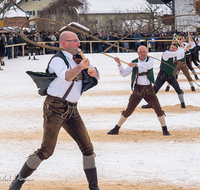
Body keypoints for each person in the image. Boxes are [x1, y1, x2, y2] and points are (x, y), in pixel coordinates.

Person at [8, 31, 100, 190]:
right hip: (55, 107)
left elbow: (91, 77)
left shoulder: (76, 59)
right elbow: (67, 76)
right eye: (75, 41)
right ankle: (17, 182)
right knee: (46, 150)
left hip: (72, 109)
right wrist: (80, 67)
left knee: (88, 148)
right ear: (65, 43)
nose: (79, 44)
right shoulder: (58, 60)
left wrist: (93, 73)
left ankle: (94, 187)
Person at [107, 45, 170, 136]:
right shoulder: (133, 62)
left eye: (144, 52)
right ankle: (116, 128)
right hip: (138, 90)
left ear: (147, 52)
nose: (142, 54)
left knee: (158, 109)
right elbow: (124, 74)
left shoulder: (150, 60)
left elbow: (147, 66)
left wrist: (136, 65)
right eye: (140, 52)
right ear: (137, 53)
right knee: (128, 110)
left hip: (149, 90)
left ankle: (165, 129)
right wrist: (119, 64)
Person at [142, 42, 189, 109]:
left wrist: (183, 48)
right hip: (162, 75)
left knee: (178, 89)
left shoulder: (176, 55)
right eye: (172, 47)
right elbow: (177, 53)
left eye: (174, 48)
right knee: (154, 90)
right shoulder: (166, 53)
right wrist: (183, 50)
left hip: (170, 76)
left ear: (176, 49)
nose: (172, 49)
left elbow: (181, 55)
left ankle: (183, 104)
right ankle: (149, 104)